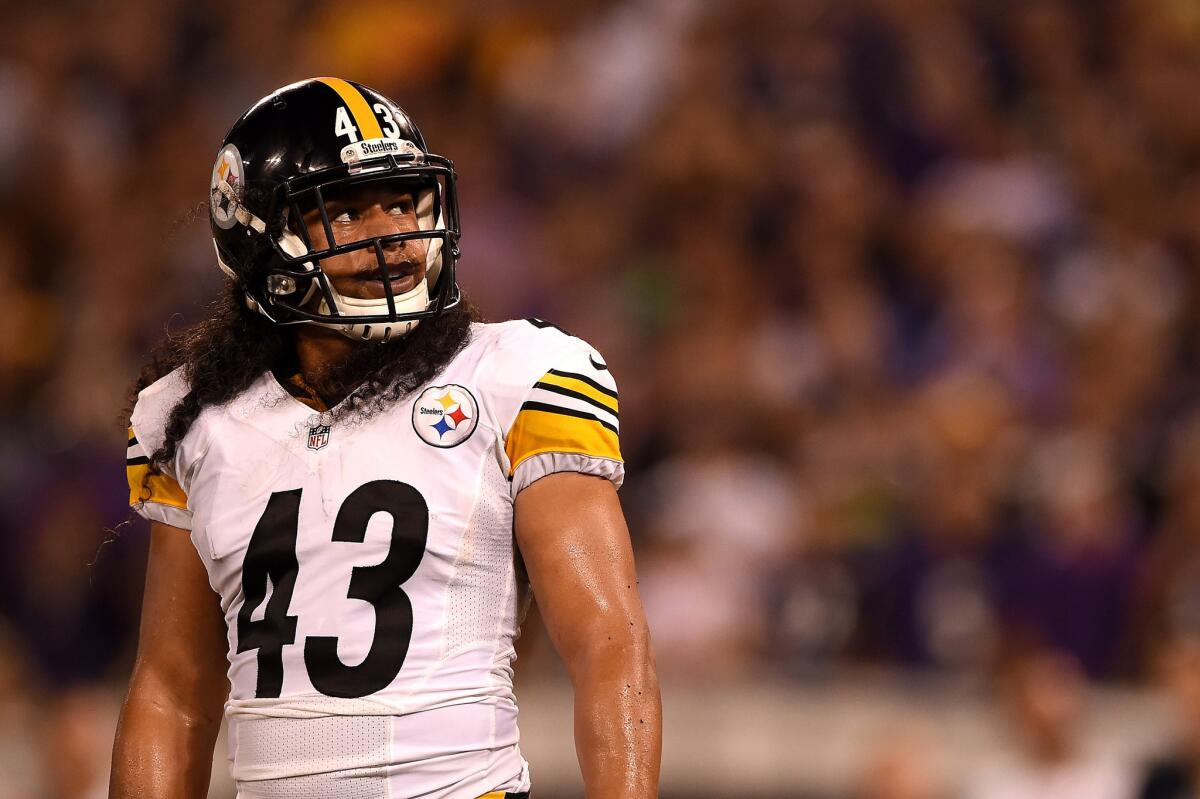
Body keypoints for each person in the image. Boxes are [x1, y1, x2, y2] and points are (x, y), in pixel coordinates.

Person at [108, 77, 661, 799]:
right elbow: (172, 691)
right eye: (344, 211)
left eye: (401, 201)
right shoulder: (195, 417)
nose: (390, 233)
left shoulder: (513, 376)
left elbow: (609, 649)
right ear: (258, 238)